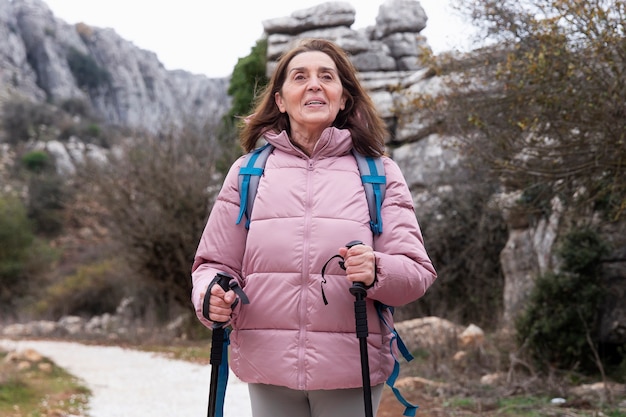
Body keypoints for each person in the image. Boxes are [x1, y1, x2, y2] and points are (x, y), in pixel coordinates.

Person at [191, 38, 437, 417]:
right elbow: (212, 264)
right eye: (299, 77)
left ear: (343, 99)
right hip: (268, 366)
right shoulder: (247, 173)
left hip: (351, 368)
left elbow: (416, 273)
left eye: (327, 76)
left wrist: (377, 270)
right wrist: (210, 296)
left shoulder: (379, 173)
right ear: (280, 99)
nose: (314, 85)